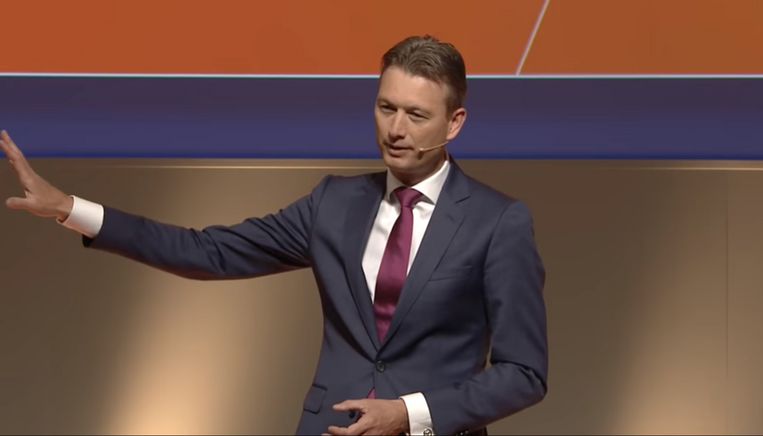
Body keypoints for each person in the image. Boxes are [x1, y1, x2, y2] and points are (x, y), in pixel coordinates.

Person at [1, 35, 547, 435]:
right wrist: (70, 209)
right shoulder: (334, 203)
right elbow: (207, 252)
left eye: (416, 115)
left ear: (454, 123)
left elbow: (524, 373)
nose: (396, 129)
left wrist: (408, 413)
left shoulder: (498, 222)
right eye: (386, 108)